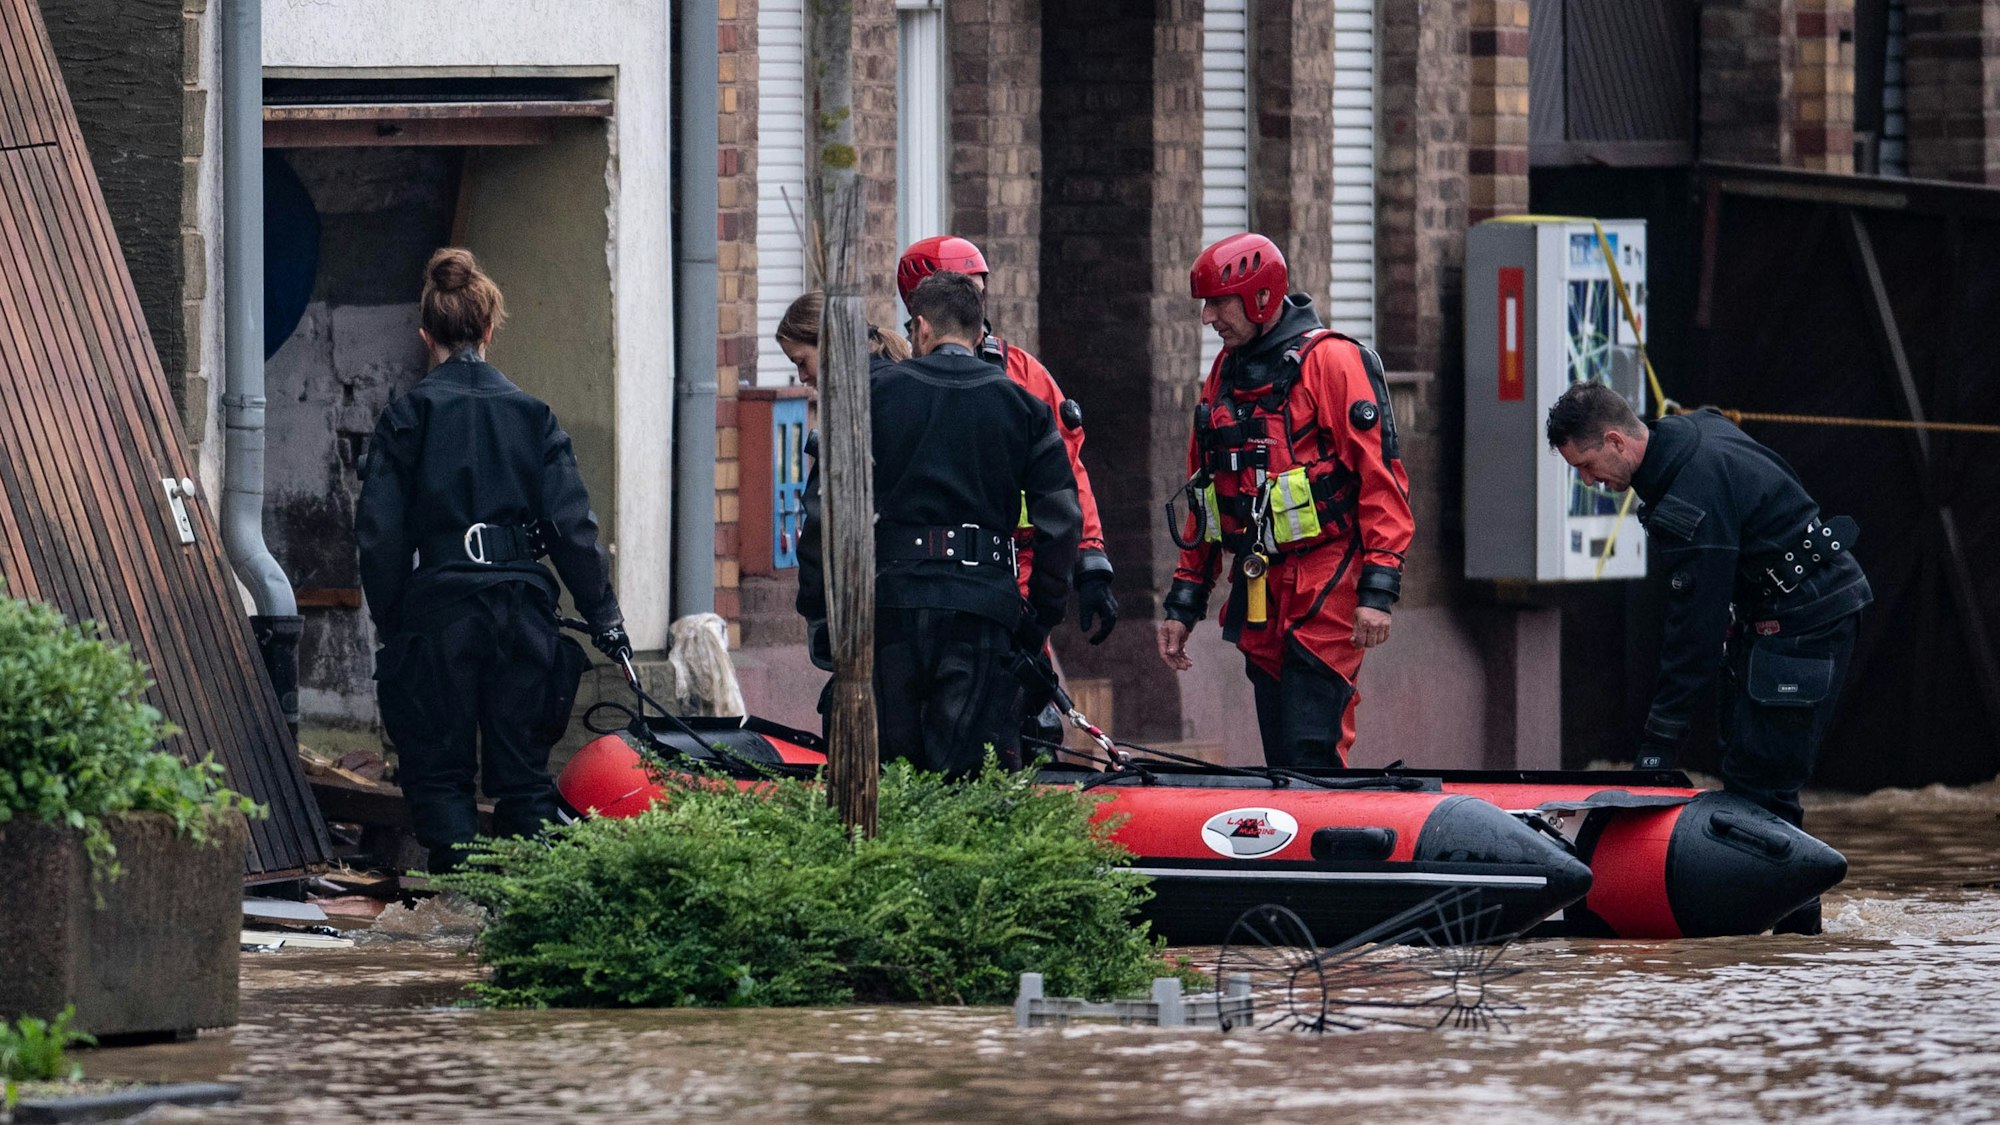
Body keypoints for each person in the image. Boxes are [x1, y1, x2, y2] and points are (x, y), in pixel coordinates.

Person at [356, 248, 628, 873]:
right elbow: (573, 529)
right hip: (522, 612)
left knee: (442, 777)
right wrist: (606, 620)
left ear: (427, 336)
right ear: (488, 329)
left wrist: (398, 625)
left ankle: (458, 908)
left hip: (441, 612)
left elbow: (380, 536)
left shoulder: (406, 417)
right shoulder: (533, 416)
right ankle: (521, 916)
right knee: (524, 780)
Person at [1545, 383, 1871, 832]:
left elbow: (1694, 633)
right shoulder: (1688, 431)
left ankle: (1782, 900)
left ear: (1616, 441)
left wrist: (1657, 747)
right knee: (1744, 772)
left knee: (1762, 788)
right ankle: (1768, 898)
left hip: (1808, 618)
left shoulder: (1691, 498)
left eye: (1586, 465)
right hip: (1780, 612)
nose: (1587, 480)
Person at [797, 270, 1081, 776]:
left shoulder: (870, 395)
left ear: (922, 328)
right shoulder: (1026, 409)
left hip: (888, 610)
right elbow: (1061, 523)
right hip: (983, 612)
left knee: (890, 779)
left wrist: (823, 617)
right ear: (978, 335)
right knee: (969, 784)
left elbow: (823, 516)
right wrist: (1037, 618)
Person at [1158, 233, 1414, 768]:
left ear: (1259, 298)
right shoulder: (1224, 376)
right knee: (1280, 755)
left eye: (1218, 303)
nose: (1207, 318)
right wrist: (1184, 604)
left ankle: (1331, 847)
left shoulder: (1333, 363)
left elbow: (1380, 478)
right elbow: (1205, 494)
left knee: (1311, 748)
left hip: (1328, 586)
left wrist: (1380, 588)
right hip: (1260, 593)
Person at [895, 236, 1118, 645]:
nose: (974, 306)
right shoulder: (899, 383)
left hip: (1014, 579)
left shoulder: (1021, 374)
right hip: (919, 587)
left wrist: (1091, 563)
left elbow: (1068, 472)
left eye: (979, 293)